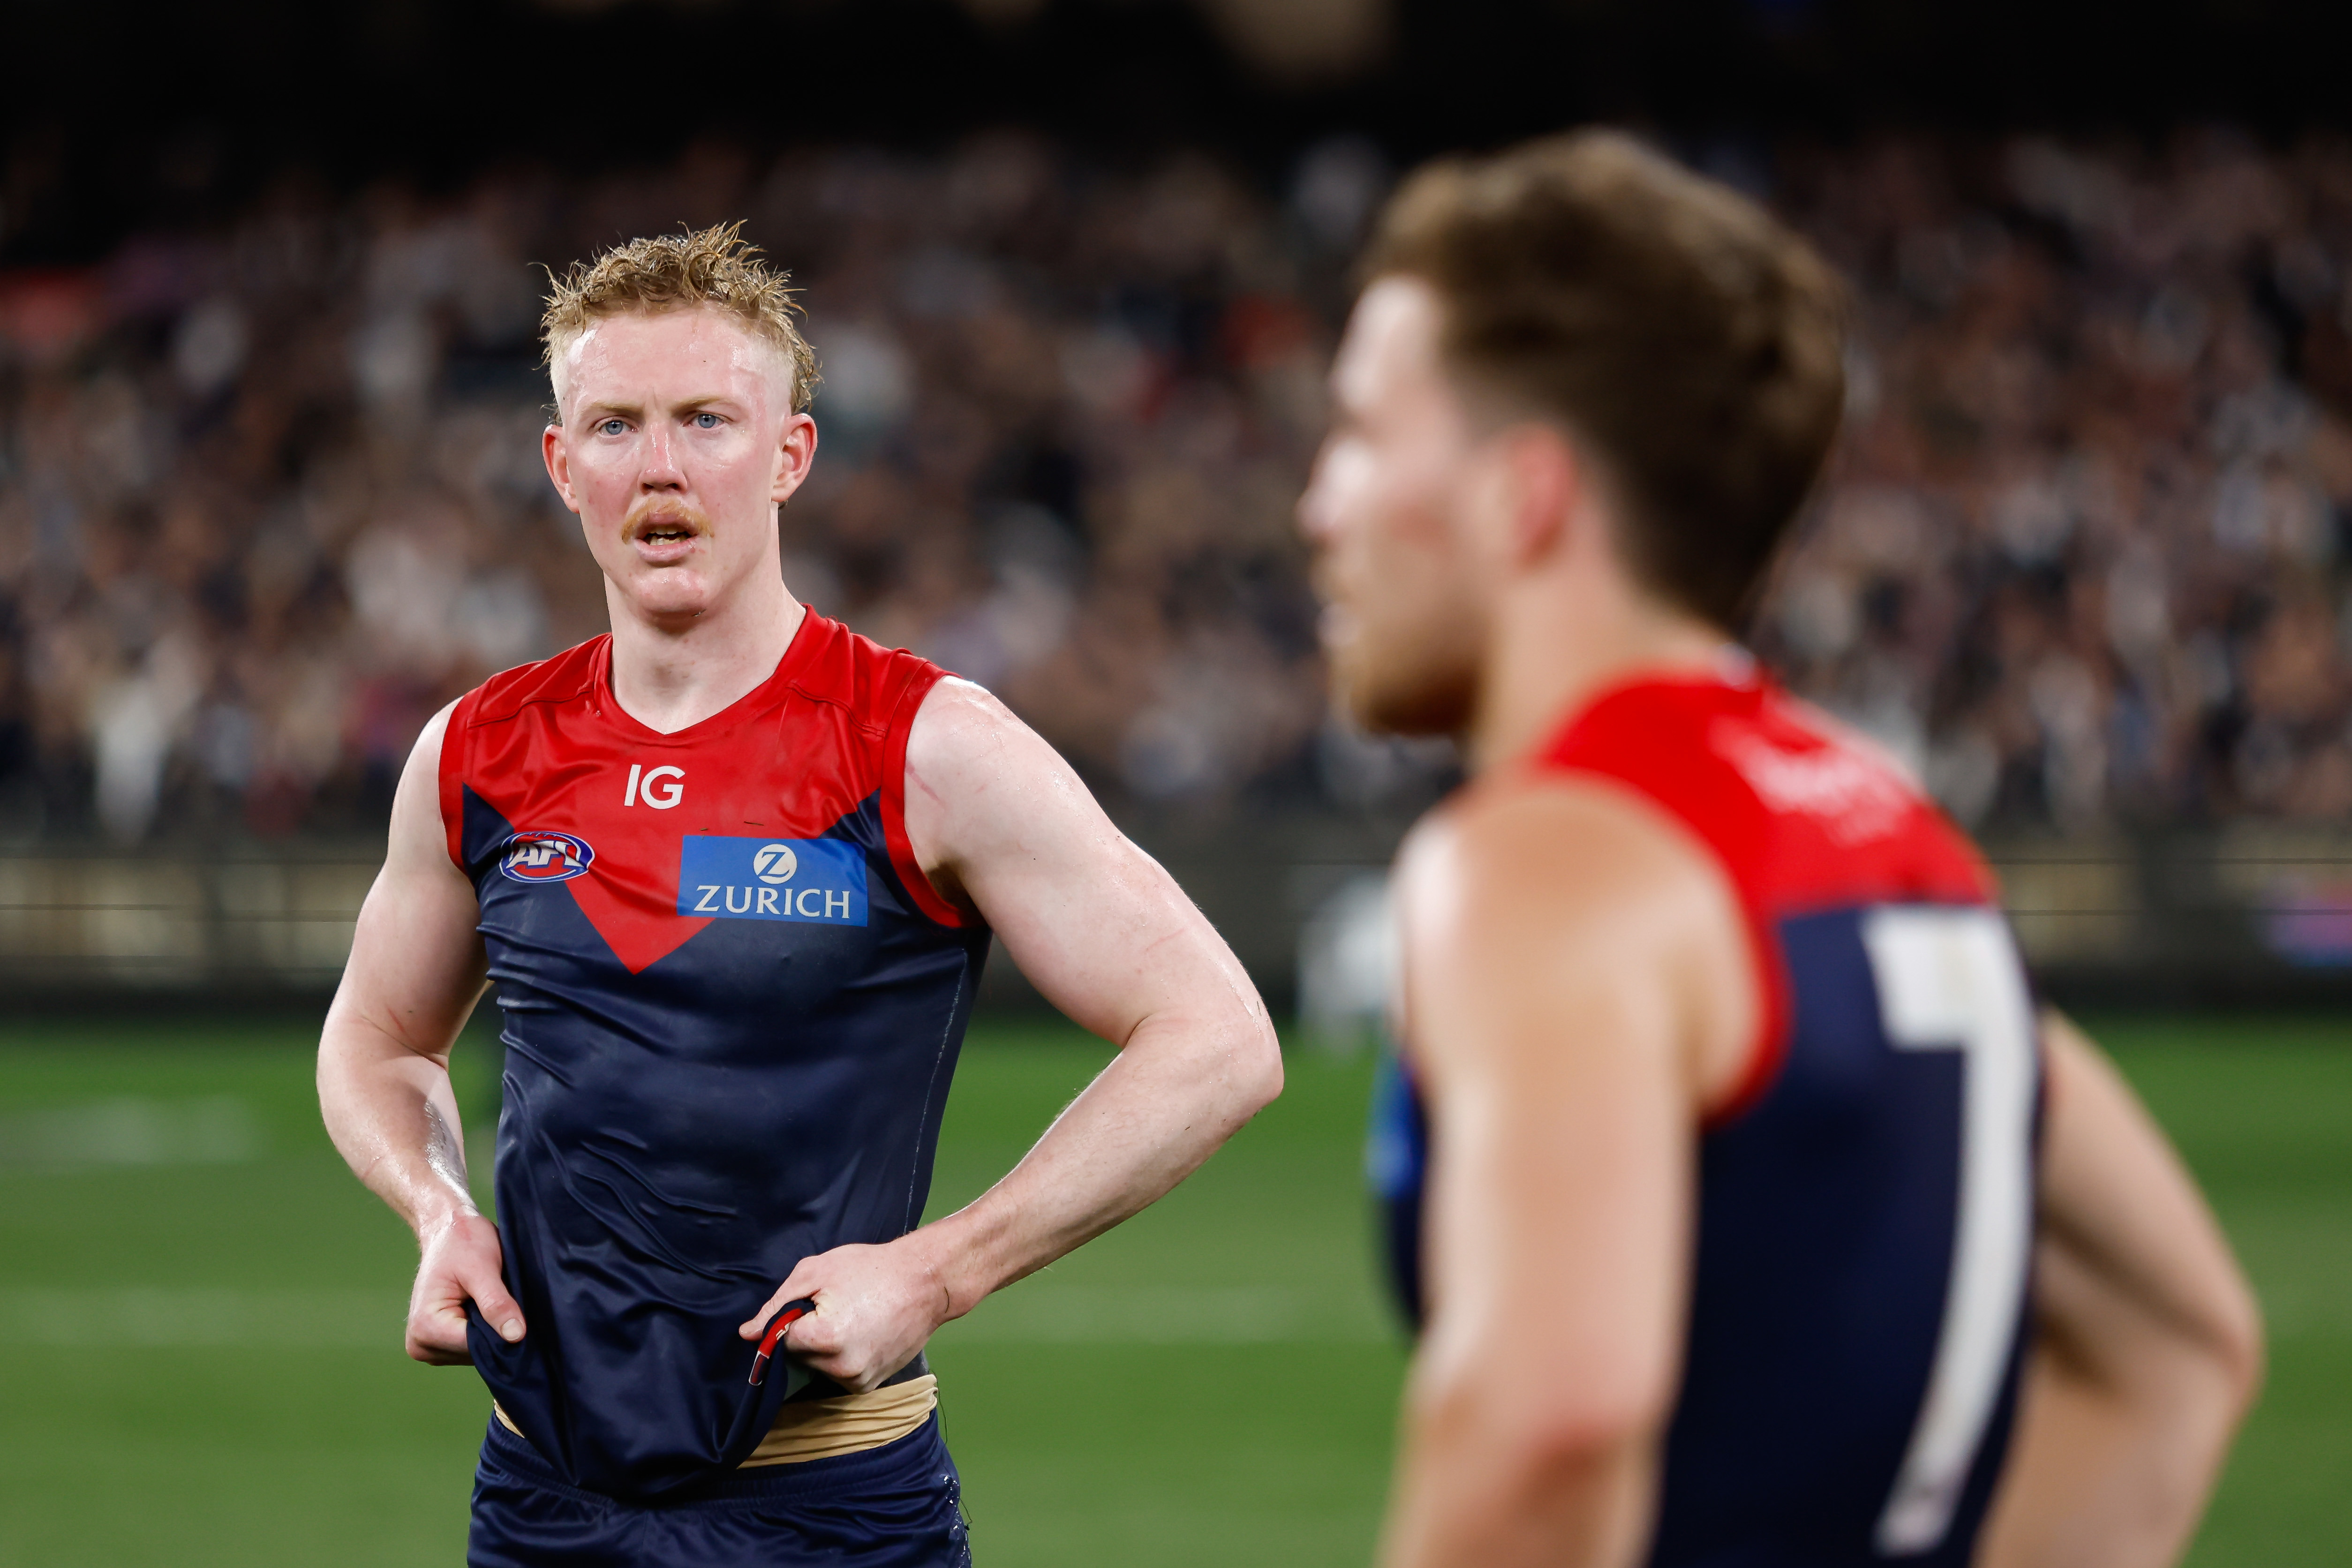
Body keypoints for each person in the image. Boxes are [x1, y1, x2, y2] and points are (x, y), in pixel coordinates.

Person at [1297, 133, 2263, 1568]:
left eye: (1366, 434)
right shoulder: (1901, 842)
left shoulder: (1548, 860)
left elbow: (1550, 1438)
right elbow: (2177, 1348)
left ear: (1525, 495)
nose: (1321, 507)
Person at [316, 222, 1282, 1567]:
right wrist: (438, 1211)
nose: (660, 468)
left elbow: (1220, 1040)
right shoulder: (478, 751)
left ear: (790, 456)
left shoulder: (925, 748)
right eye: (614, 427)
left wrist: (943, 1269)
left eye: (708, 420)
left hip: (826, 1510)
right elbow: (376, 1038)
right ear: (560, 466)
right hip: (538, 1508)